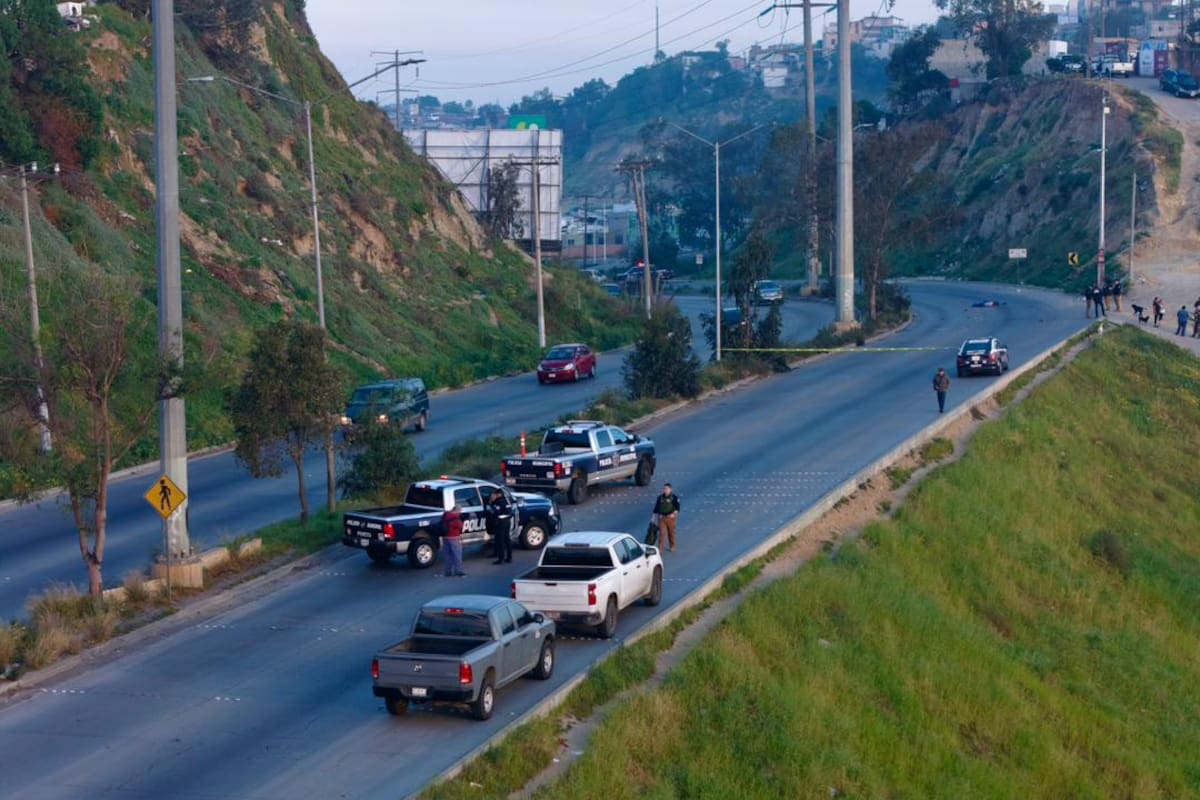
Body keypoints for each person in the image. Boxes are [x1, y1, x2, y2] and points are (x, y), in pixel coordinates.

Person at [486, 487, 514, 564]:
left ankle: (500, 558)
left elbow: (494, 511)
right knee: (507, 540)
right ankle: (509, 557)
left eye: (496, 494)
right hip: (507, 521)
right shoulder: (507, 500)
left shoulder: (500, 502)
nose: (495, 495)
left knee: (500, 540)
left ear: (499, 494)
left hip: (501, 522)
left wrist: (491, 503)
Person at [651, 483, 681, 552]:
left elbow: (677, 508)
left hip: (670, 518)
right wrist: (653, 517)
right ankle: (660, 549)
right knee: (662, 533)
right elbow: (656, 508)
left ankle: (672, 545)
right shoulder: (660, 498)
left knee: (671, 533)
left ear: (670, 489)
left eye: (666, 489)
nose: (665, 490)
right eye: (664, 488)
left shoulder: (674, 498)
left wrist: (674, 514)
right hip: (662, 518)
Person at [441, 503, 465, 577]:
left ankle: (448, 572)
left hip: (445, 538)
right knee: (457, 555)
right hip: (454, 538)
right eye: (460, 511)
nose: (460, 512)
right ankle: (458, 571)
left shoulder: (445, 515)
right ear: (457, 510)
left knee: (447, 556)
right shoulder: (456, 517)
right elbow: (460, 526)